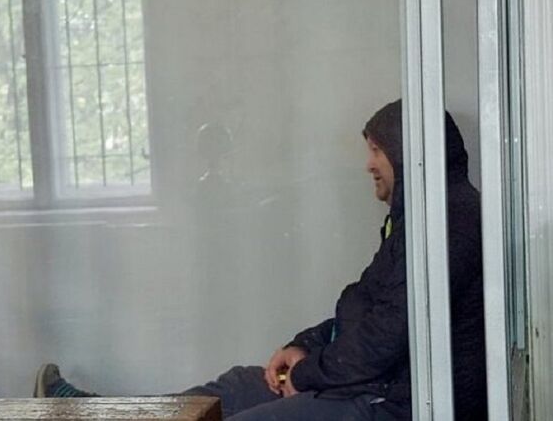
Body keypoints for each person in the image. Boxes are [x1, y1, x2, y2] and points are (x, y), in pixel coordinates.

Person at [34, 100, 487, 420]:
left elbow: (385, 338)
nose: (368, 164)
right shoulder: (416, 220)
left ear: (408, 153)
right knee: (234, 388)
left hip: (394, 403)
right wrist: (304, 345)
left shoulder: (447, 227)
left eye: (376, 150)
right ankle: (90, 412)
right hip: (367, 384)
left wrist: (307, 373)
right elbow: (365, 306)